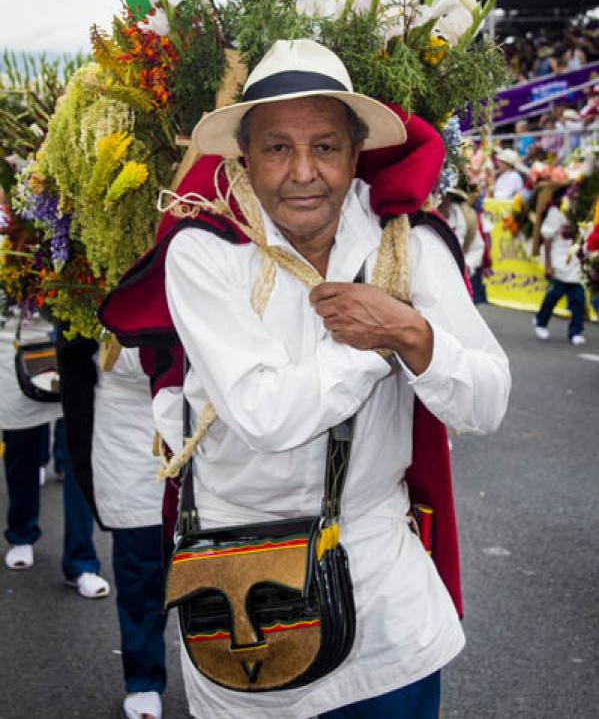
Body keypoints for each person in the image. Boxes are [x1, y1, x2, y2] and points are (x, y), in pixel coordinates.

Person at [100, 38, 511, 719]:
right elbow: (266, 415)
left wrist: (414, 334)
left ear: (355, 155)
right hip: (239, 592)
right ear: (242, 155)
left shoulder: (409, 245)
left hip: (383, 599)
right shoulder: (203, 251)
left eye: (324, 147)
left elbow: (487, 402)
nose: (302, 173)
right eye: (276, 148)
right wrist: (381, 344)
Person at [1, 316, 109, 595]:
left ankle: (81, 561)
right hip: (15, 338)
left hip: (72, 341)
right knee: (21, 446)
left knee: (79, 457)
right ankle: (21, 532)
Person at [92, 345, 167, 719]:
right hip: (130, 443)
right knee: (141, 572)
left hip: (211, 433)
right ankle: (144, 678)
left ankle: (228, 677)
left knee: (218, 569)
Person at [534, 191, 586, 346]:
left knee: (578, 299)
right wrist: (548, 264)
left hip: (576, 263)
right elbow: (548, 237)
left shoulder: (587, 212)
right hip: (559, 260)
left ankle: (575, 332)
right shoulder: (557, 212)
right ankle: (541, 323)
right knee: (553, 296)